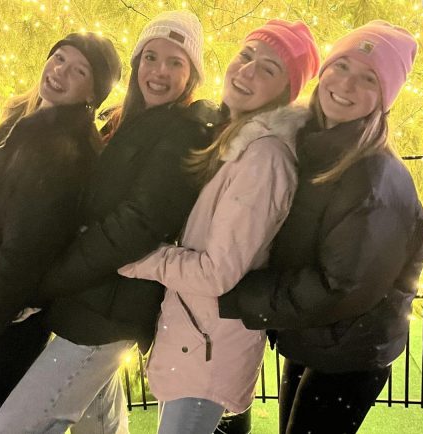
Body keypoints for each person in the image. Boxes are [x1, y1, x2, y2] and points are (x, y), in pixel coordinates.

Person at [0, 10, 218, 434]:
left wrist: (49, 281)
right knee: (101, 426)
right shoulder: (128, 121)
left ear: (192, 76)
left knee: (14, 427)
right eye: (151, 57)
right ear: (136, 64)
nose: (159, 72)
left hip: (108, 310)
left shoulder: (183, 132)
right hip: (94, 300)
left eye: (175, 62)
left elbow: (133, 226)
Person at [218, 20, 423, 433]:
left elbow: (341, 287)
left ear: (385, 99)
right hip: (316, 336)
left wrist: (241, 295)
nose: (347, 85)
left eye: (369, 78)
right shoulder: (312, 144)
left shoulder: (371, 178)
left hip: (350, 353)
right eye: (343, 66)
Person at [118, 19, 320, 434]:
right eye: (246, 56)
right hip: (196, 339)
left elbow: (216, 272)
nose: (246, 71)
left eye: (268, 69)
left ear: (286, 91)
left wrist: (138, 259)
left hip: (208, 347)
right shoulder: (234, 139)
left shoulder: (263, 160)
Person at [0, 33, 121, 434]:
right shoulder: (28, 124)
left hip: (9, 319)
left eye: (79, 70)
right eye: (59, 57)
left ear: (92, 93)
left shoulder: (59, 150)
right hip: (2, 311)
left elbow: (20, 254)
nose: (60, 71)